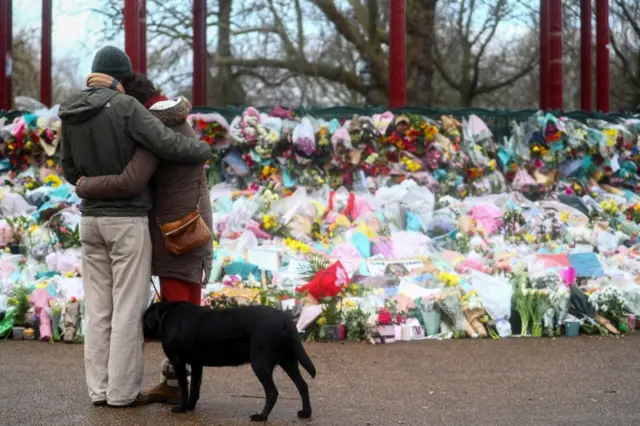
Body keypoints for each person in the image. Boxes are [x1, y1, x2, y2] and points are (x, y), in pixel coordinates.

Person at [59, 46, 212, 408]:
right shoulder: (127, 108)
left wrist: (85, 185)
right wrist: (202, 149)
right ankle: (122, 393)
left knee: (98, 312)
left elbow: (68, 171)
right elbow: (163, 147)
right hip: (126, 222)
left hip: (89, 221)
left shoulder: (69, 112)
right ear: (121, 78)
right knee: (128, 310)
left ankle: (99, 391)